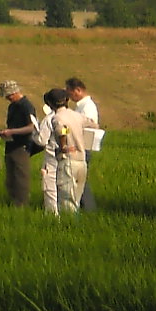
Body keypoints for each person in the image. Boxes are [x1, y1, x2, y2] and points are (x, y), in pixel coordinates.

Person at [0, 80, 38, 207]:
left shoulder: (26, 106)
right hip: (10, 146)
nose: (7, 98)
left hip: (22, 146)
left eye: (8, 96)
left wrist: (12, 132)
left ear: (14, 93)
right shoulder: (12, 106)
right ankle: (13, 202)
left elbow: (32, 127)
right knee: (11, 179)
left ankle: (21, 205)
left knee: (21, 178)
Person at [50, 87, 90, 215]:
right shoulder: (77, 116)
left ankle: (69, 228)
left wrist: (63, 146)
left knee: (67, 201)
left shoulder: (58, 117)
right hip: (82, 161)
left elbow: (62, 130)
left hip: (68, 161)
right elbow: (93, 125)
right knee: (76, 200)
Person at [65, 77, 99, 212]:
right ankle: (83, 207)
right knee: (78, 180)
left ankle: (89, 208)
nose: (68, 95)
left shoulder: (87, 107)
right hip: (78, 146)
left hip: (83, 147)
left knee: (81, 181)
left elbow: (88, 126)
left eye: (69, 92)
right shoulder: (81, 107)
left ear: (78, 90)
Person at [34, 89, 61, 214]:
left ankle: (53, 217)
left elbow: (41, 140)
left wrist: (35, 132)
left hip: (52, 158)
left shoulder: (49, 119)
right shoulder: (71, 115)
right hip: (69, 156)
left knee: (50, 190)